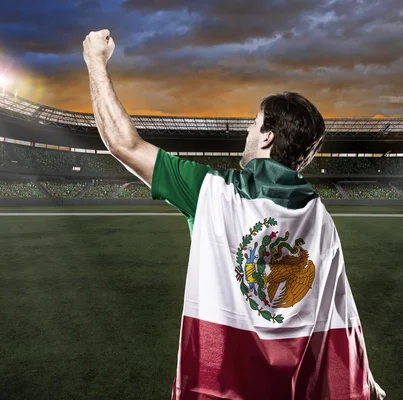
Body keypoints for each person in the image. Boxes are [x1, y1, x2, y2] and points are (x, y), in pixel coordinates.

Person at [83, 29, 385, 400]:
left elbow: (122, 142)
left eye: (254, 122)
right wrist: (362, 376)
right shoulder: (320, 217)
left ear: (268, 137)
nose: (247, 128)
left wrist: (94, 60)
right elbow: (340, 311)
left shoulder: (212, 189)